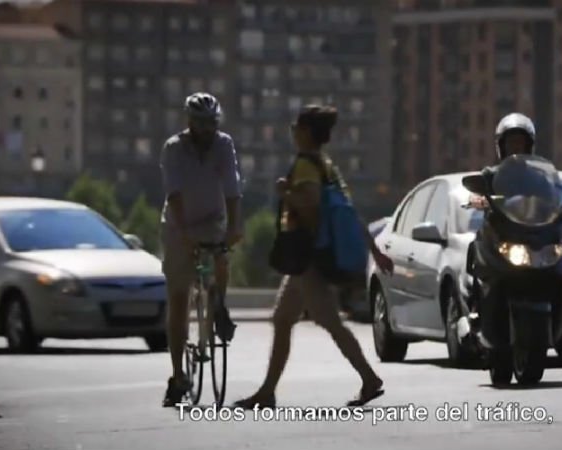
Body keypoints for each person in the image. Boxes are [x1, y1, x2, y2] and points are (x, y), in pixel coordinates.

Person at [233, 104, 395, 409]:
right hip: (311, 258)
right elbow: (347, 212)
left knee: (329, 321)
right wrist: (374, 250)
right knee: (283, 319)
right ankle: (267, 392)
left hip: (308, 257)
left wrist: (285, 193)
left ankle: (370, 379)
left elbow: (310, 206)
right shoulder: (326, 165)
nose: (292, 131)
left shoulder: (307, 166)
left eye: (296, 126)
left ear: (306, 132)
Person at [469, 112, 562, 383]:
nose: (515, 147)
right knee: (477, 253)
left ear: (529, 146)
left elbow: (553, 198)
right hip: (504, 233)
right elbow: (477, 192)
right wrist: (478, 200)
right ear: (500, 146)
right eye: (510, 142)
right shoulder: (491, 174)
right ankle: (477, 310)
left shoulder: (539, 174)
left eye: (520, 143)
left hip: (536, 236)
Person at [159, 92, 244, 407]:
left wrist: (236, 227)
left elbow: (233, 188)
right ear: (189, 123)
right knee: (179, 298)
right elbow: (174, 195)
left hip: (210, 219)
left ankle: (218, 306)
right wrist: (183, 235)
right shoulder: (174, 149)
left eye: (212, 123)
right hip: (178, 224)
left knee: (221, 255)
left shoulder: (224, 144)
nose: (207, 129)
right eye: (201, 123)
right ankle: (178, 375)